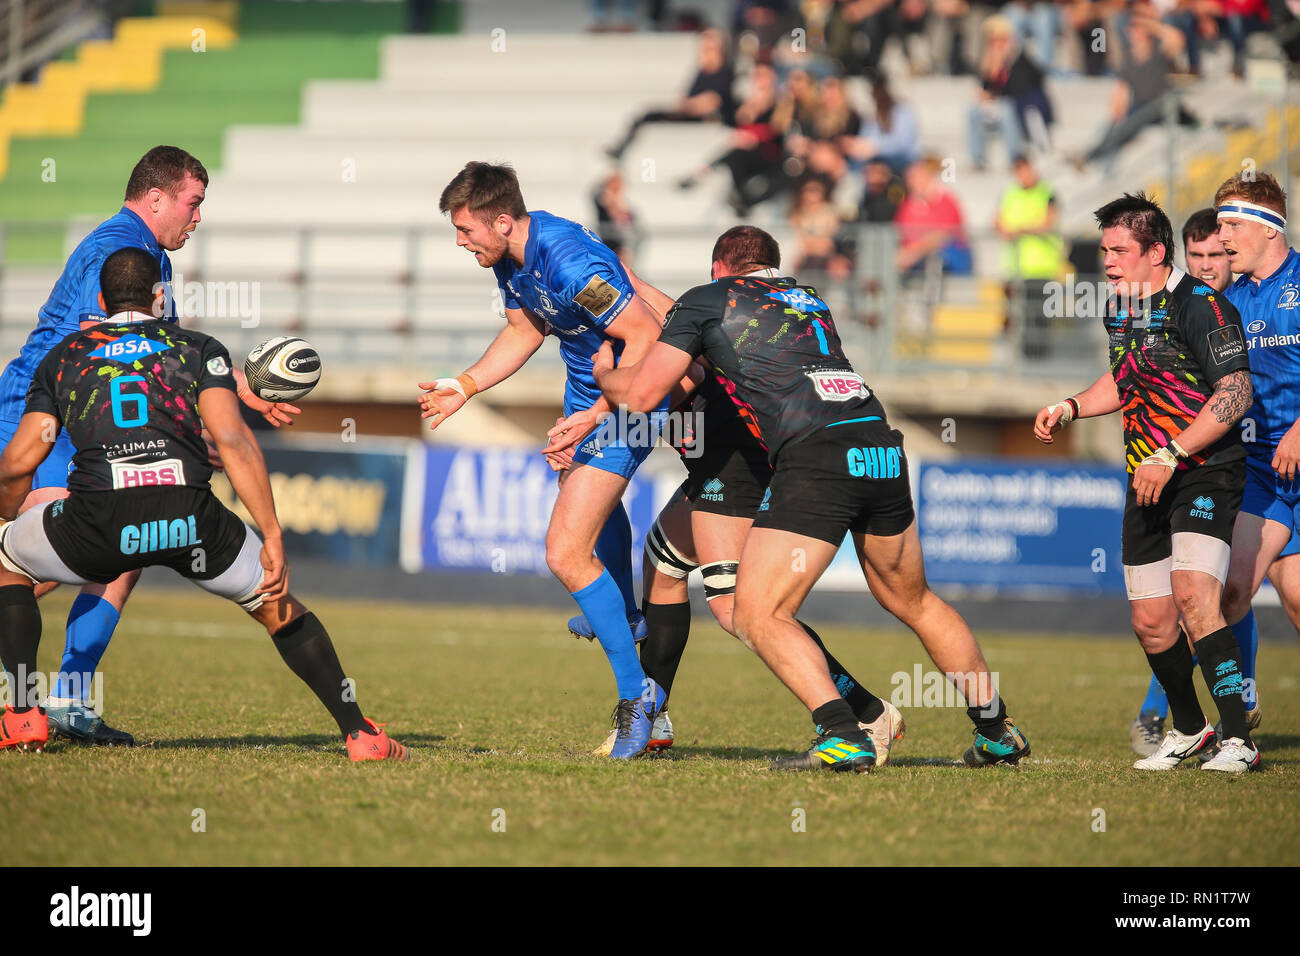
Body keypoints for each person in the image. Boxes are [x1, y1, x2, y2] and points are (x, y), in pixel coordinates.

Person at [594, 225, 1029, 772]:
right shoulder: (808, 299)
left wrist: (607, 375)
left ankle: (846, 733)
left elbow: (640, 394)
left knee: (755, 613)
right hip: (879, 444)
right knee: (916, 602)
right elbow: (705, 317)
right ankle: (997, 731)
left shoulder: (707, 300)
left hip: (816, 455)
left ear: (717, 269)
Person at [0, 249, 405, 761]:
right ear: (160, 297)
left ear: (100, 301)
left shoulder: (66, 356)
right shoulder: (198, 348)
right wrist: (272, 533)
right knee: (276, 605)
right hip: (190, 518)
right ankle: (359, 733)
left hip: (99, 520)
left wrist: (12, 511)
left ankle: (22, 714)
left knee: (7, 562)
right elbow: (234, 442)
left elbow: (18, 463)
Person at [0, 145, 298, 746]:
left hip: (75, 414)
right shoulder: (120, 248)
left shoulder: (149, 253)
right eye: (193, 203)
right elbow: (99, 345)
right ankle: (42, 698)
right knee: (64, 547)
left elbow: (164, 349)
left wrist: (236, 391)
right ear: (156, 197)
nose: (197, 217)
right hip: (49, 415)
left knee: (116, 545)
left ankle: (64, 699)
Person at [573, 270, 906, 763]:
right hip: (711, 471)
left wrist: (605, 388)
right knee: (663, 567)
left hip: (734, 472)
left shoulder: (676, 332)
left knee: (741, 613)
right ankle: (653, 718)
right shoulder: (676, 321)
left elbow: (670, 379)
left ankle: (865, 711)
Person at [420, 162, 670, 759]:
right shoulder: (511, 258)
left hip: (632, 389)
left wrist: (600, 415)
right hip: (590, 391)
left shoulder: (566, 259)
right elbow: (524, 328)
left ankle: (640, 698)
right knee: (577, 504)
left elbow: (646, 337)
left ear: (502, 220)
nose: (460, 242)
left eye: (465, 230)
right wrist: (466, 384)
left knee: (563, 551)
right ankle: (627, 611)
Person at [1034, 192, 1259, 773]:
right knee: (1151, 620)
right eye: (1104, 250)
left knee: (1193, 594)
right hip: (1147, 476)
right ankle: (1190, 730)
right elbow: (1125, 376)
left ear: (1156, 252)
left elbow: (1235, 393)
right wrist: (1070, 406)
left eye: (1119, 250)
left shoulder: (1202, 307)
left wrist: (1174, 450)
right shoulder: (1121, 307)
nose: (1107, 261)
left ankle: (1238, 737)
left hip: (1203, 469)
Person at [1212, 173, 1300, 758]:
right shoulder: (1232, 299)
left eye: (1230, 224)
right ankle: (1238, 712)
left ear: (1267, 225)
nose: (1220, 237)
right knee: (1235, 587)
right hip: (1265, 473)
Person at [605, 28, 735, 160]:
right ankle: (623, 146)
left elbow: (713, 101)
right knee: (648, 114)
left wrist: (689, 106)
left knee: (653, 116)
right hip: (689, 112)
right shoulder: (701, 72)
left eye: (710, 48)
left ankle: (624, 148)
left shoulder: (725, 72)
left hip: (706, 117)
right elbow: (687, 96)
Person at [997, 155, 1064, 358]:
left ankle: (1039, 362)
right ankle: (1021, 360)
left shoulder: (1047, 192)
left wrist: (1020, 230)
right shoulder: (1010, 193)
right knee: (1017, 317)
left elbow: (1048, 222)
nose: (1022, 175)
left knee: (1039, 318)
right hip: (1015, 267)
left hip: (1040, 267)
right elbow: (998, 221)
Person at [967, 16, 1053, 171]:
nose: (996, 44)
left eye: (1001, 39)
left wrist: (1005, 65)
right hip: (996, 107)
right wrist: (988, 82)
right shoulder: (988, 60)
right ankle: (978, 159)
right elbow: (986, 87)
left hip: (1021, 106)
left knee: (1006, 108)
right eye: (993, 40)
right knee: (972, 111)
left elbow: (1019, 89)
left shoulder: (1020, 59)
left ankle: (1014, 158)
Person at [894, 155, 973, 276]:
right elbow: (901, 234)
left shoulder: (946, 201)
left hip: (948, 260)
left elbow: (944, 235)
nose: (910, 182)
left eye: (915, 177)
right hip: (916, 261)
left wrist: (915, 252)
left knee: (936, 258)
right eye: (909, 178)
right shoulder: (907, 206)